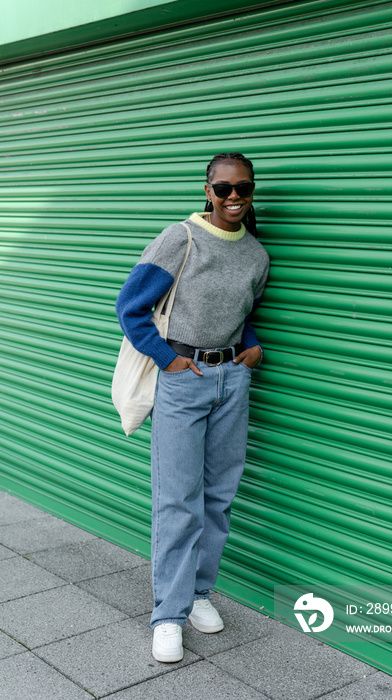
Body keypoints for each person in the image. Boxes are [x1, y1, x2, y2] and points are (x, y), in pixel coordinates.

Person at [115, 152, 270, 663]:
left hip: (232, 380)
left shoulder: (255, 253)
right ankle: (168, 615)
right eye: (223, 188)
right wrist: (168, 360)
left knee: (218, 496)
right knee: (177, 501)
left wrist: (250, 346)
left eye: (242, 189)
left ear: (251, 193)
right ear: (207, 190)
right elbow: (130, 307)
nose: (232, 198)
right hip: (184, 380)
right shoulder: (179, 238)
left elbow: (240, 309)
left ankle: (200, 593)